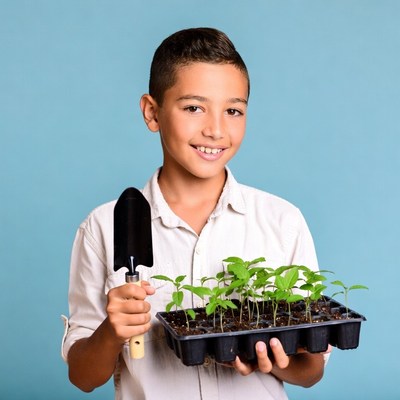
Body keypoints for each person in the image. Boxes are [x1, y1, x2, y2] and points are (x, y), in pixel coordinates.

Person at [62, 27, 330, 400]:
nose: (216, 130)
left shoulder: (282, 221)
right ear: (152, 112)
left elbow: (311, 371)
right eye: (193, 108)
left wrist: (272, 358)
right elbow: (83, 376)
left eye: (233, 110)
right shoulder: (104, 227)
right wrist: (112, 330)